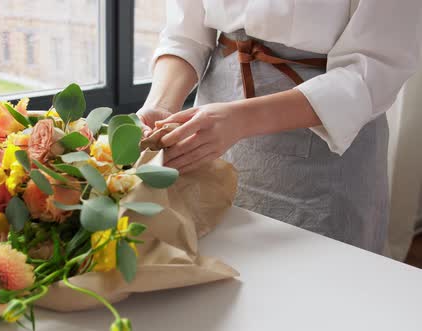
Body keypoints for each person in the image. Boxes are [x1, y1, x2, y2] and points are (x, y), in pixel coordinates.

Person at [137, 0, 422, 253]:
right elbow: (185, 33)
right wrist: (162, 105)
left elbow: (373, 70)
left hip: (321, 163)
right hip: (207, 141)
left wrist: (238, 120)